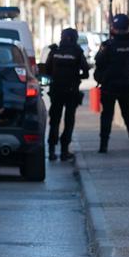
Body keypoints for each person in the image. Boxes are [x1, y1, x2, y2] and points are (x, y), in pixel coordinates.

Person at [94, 13, 129, 153]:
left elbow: (98, 60)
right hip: (126, 85)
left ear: (114, 28)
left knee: (107, 116)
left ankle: (103, 145)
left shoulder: (108, 45)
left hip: (110, 86)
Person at [44, 28, 90, 161]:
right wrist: (76, 76)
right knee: (69, 121)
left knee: (54, 121)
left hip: (56, 92)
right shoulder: (77, 52)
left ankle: (52, 151)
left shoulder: (54, 51)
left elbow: (47, 71)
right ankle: (64, 151)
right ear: (73, 38)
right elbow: (86, 72)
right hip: (71, 92)